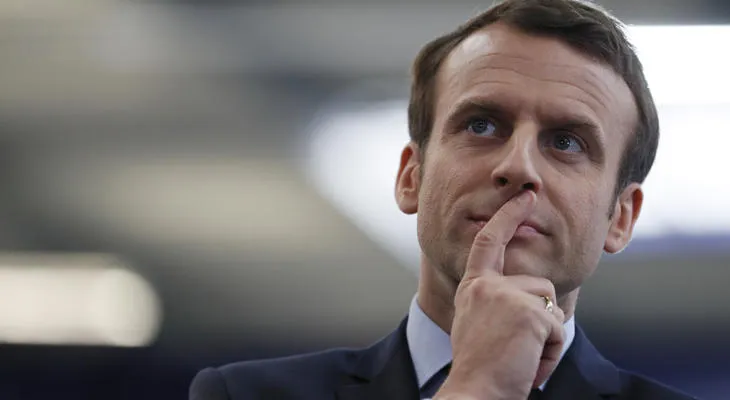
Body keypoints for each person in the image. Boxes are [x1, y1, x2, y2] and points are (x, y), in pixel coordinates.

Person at [190, 0, 699, 398]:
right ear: (412, 176)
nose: (518, 166)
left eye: (566, 142)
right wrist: (476, 390)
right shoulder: (244, 395)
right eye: (482, 125)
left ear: (622, 218)